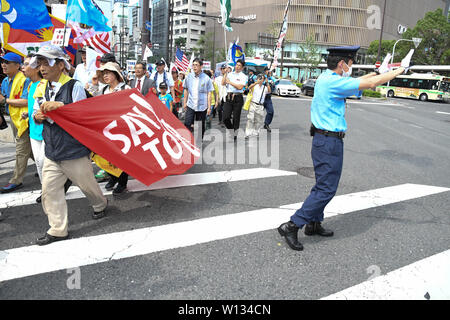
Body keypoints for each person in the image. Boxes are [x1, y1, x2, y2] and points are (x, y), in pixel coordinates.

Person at [277, 46, 413, 251]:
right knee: (326, 189)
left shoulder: (326, 77)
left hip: (324, 140)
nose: (351, 67)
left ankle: (314, 223)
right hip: (329, 142)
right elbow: (371, 83)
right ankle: (293, 224)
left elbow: (363, 80)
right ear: (342, 64)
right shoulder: (334, 82)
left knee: (322, 185)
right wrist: (399, 70)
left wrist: (378, 71)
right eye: (350, 63)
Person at [32, 45, 107, 245]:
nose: (42, 68)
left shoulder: (75, 86)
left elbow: (82, 115)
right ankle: (58, 229)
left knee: (88, 186)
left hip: (73, 150)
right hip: (52, 150)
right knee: (49, 191)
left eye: (46, 63)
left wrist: (60, 106)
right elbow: (35, 112)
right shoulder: (40, 87)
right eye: (39, 64)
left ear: (59, 65)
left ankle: (100, 205)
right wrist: (37, 116)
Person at [95, 61, 131, 195]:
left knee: (122, 157)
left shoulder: (125, 89)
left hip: (122, 129)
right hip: (107, 128)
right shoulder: (103, 90)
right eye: (103, 74)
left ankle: (122, 182)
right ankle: (113, 177)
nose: (105, 76)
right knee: (109, 156)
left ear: (116, 74)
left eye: (108, 73)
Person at [0, 52, 32, 193]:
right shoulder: (5, 81)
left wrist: (5, 101)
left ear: (17, 65)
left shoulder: (25, 80)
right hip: (14, 119)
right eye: (3, 62)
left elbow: (26, 101)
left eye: (7, 62)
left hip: (25, 119)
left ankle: (16, 180)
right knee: (28, 149)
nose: (3, 65)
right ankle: (47, 166)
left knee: (21, 149)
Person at [21, 54, 45, 203]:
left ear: (36, 68)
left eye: (27, 64)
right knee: (38, 162)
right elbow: (33, 107)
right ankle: (46, 190)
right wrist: (27, 113)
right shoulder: (30, 85)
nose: (23, 67)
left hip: (47, 131)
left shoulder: (45, 84)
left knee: (43, 161)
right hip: (34, 131)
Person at [183, 58, 213, 139]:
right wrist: (184, 102)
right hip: (191, 104)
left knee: (200, 126)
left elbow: (209, 93)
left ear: (201, 66)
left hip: (202, 106)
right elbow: (186, 89)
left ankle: (199, 143)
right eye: (193, 65)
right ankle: (188, 140)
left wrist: (209, 107)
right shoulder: (188, 77)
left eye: (196, 65)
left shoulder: (206, 78)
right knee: (187, 123)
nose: (194, 67)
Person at [222, 59, 248, 140]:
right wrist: (225, 74)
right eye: (236, 65)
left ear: (242, 67)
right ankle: (231, 130)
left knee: (236, 118)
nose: (237, 67)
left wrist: (230, 82)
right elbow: (223, 83)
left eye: (239, 65)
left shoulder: (244, 76)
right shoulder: (230, 74)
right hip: (229, 97)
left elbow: (240, 87)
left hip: (238, 97)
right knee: (225, 117)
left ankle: (235, 135)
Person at [245, 74, 271, 138]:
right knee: (250, 118)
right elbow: (249, 87)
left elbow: (269, 91)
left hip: (260, 105)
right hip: (253, 104)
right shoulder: (254, 86)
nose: (260, 80)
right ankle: (248, 133)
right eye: (259, 78)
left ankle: (256, 132)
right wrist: (256, 82)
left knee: (258, 120)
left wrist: (267, 83)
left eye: (261, 78)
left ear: (263, 80)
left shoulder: (264, 88)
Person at [263, 68, 276, 132]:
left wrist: (270, 78)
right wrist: (264, 80)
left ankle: (266, 124)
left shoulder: (271, 78)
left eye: (269, 71)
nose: (268, 72)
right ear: (265, 71)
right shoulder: (262, 77)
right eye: (267, 71)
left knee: (271, 112)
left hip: (268, 98)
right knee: (257, 113)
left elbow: (275, 82)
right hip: (261, 98)